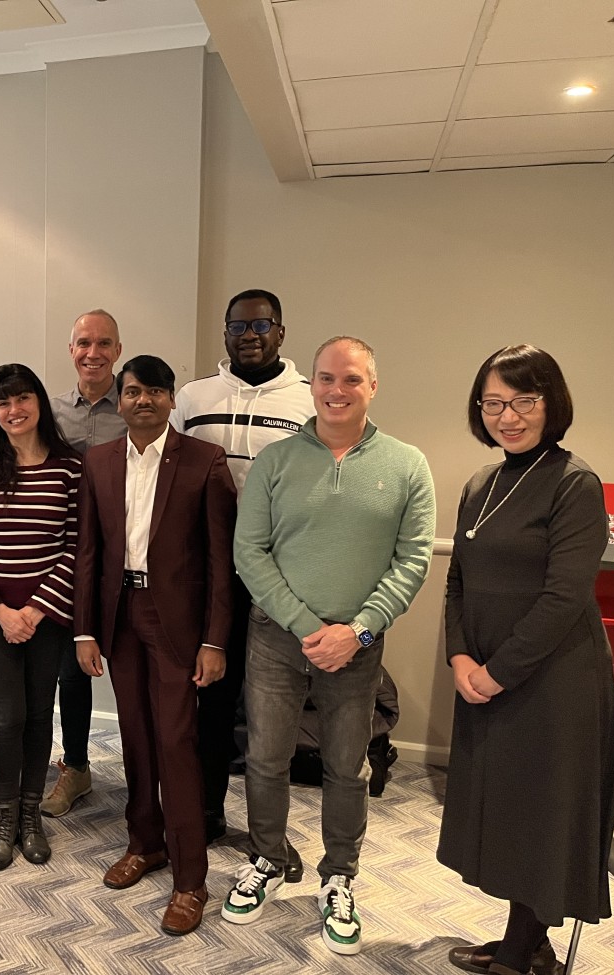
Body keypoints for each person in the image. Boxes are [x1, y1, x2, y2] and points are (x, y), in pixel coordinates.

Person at [227, 336, 435, 955]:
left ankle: (339, 875)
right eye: (325, 379)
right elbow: (250, 552)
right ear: (310, 384)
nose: (336, 391)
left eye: (350, 379)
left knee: (349, 767)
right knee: (266, 758)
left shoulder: (407, 464)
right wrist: (302, 624)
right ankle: (266, 858)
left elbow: (413, 559)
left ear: (373, 385)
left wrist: (358, 630)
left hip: (358, 644)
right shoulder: (277, 461)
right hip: (276, 638)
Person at [437, 346, 614, 975]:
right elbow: (457, 580)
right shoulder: (480, 484)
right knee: (509, 806)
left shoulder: (575, 483)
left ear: (551, 404)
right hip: (486, 671)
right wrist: (460, 655)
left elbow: (565, 598)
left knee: (542, 809)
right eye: (493, 402)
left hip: (553, 678)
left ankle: (521, 951)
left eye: (523, 401)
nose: (507, 416)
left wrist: (495, 672)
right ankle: (529, 940)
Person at [74, 355, 235, 936]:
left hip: (179, 625)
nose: (143, 401)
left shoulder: (203, 460)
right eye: (133, 392)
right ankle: (145, 843)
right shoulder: (97, 462)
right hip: (118, 618)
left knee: (176, 742)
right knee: (136, 737)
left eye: (155, 392)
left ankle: (191, 878)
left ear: (172, 400)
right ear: (119, 400)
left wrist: (215, 639)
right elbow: (88, 551)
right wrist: (85, 629)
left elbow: (222, 561)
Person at [172, 287, 314, 862]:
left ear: (282, 332)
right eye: (238, 326)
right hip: (204, 574)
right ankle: (205, 811)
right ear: (225, 334)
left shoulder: (309, 402)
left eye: (261, 325)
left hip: (279, 576)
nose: (249, 335)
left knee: (269, 712)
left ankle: (267, 835)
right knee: (209, 701)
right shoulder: (194, 396)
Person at [0, 363, 80, 871]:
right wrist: (3, 611)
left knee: (37, 715)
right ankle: (5, 816)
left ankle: (31, 813)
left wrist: (33, 610)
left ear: (39, 402)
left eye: (22, 398)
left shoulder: (69, 468)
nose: (13, 410)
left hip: (46, 617)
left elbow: (74, 547)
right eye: (3, 402)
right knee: (5, 717)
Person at [44, 309, 127, 819]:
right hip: (71, 558)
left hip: (130, 557)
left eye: (103, 343)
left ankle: (145, 768)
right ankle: (75, 767)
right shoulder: (51, 414)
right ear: (70, 349)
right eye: (82, 343)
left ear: (118, 350)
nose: (92, 353)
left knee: (137, 670)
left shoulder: (141, 406)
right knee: (71, 672)